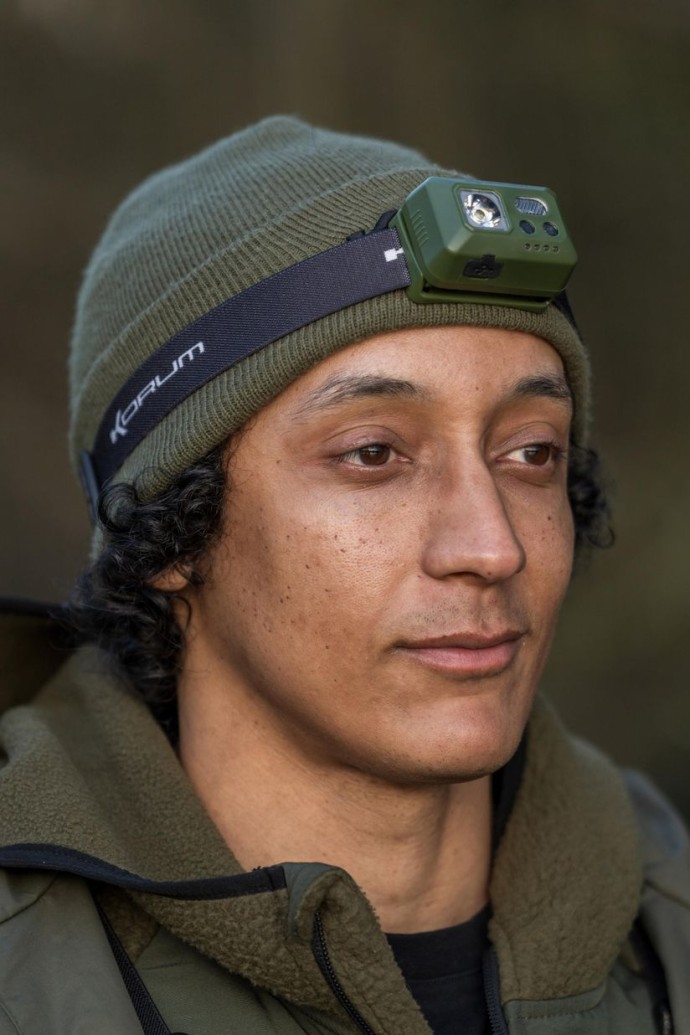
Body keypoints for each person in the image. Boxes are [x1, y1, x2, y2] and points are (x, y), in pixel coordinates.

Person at [0, 116, 688, 1035]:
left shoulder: (671, 920)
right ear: (165, 534)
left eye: (531, 452)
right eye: (373, 453)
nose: (493, 546)